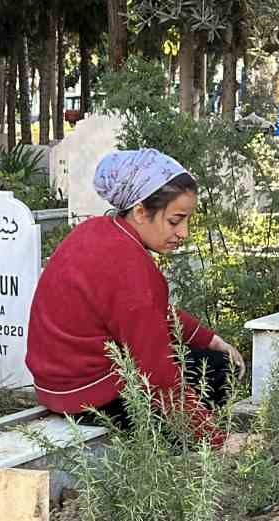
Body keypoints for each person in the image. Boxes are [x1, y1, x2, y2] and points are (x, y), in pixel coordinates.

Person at [26, 148, 245, 447]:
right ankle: (179, 448)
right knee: (219, 369)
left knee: (210, 357)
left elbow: (150, 311)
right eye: (175, 220)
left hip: (57, 385)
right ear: (141, 212)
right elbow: (158, 371)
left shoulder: (98, 231)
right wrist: (214, 440)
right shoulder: (129, 266)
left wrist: (207, 338)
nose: (184, 232)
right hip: (91, 396)